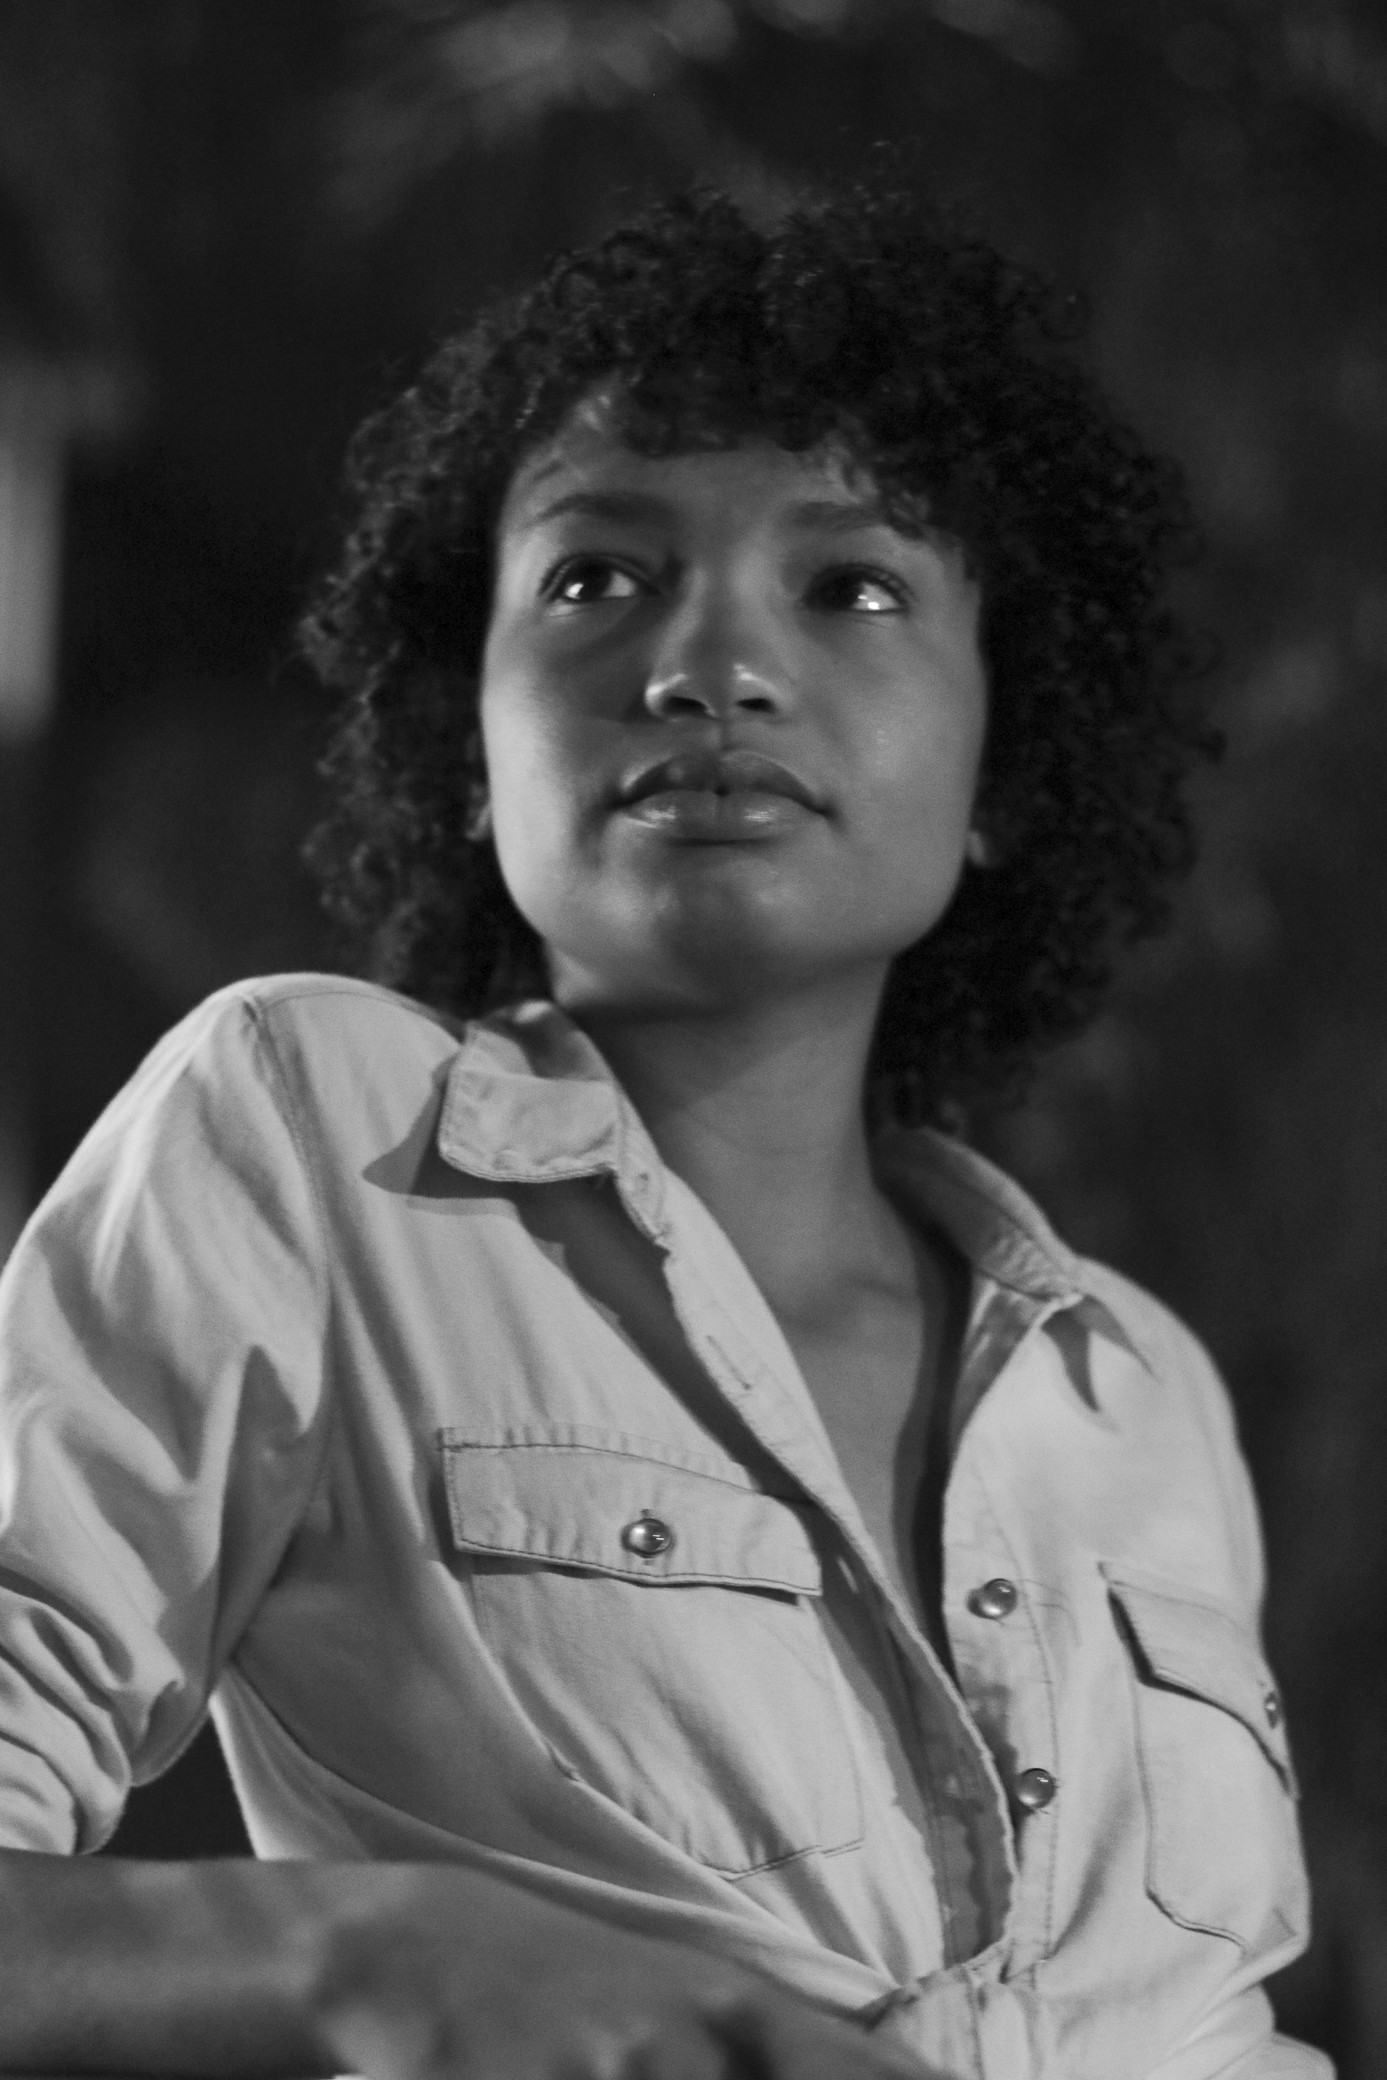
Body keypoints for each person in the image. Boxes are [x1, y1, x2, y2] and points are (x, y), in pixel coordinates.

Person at [0, 178, 1325, 2080]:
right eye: (595, 578)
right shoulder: (309, 1130)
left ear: (1002, 773)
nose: (709, 664)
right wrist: (376, 1950)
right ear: (467, 748)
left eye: (851, 587)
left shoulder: (1140, 1392)